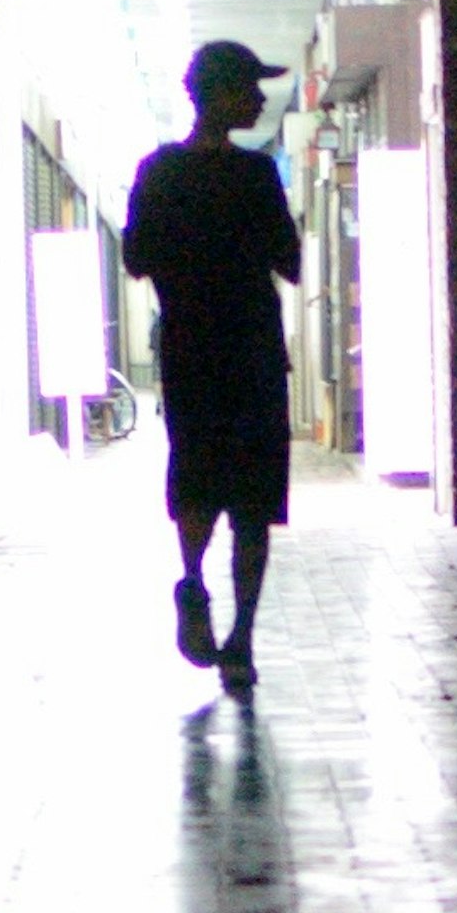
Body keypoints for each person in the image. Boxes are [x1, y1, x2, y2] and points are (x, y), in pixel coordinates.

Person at [119, 39, 303, 692]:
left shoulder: (158, 170)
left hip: (191, 351)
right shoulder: (255, 176)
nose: (257, 98)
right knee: (253, 499)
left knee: (196, 480)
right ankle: (241, 640)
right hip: (250, 350)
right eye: (249, 87)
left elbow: (136, 258)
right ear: (218, 93)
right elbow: (290, 260)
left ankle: (194, 585)